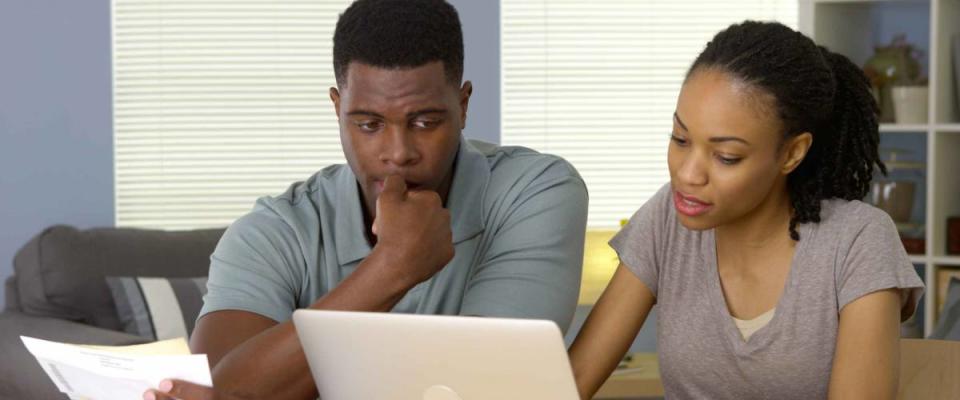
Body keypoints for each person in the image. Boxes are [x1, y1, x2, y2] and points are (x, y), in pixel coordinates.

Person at [144, 1, 588, 399]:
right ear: (337, 109)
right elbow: (214, 393)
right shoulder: (272, 232)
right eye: (369, 124)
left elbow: (494, 387)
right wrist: (392, 268)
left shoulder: (536, 192)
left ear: (464, 104)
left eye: (425, 121)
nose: (398, 154)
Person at [569, 21, 924, 400]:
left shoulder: (857, 240)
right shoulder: (665, 221)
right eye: (680, 139)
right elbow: (571, 381)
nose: (688, 175)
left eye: (726, 157)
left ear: (791, 153)